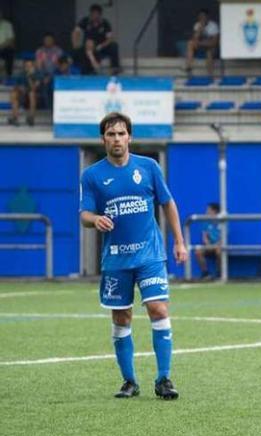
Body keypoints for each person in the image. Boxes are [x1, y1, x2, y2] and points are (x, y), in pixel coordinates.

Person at [79, 112, 188, 399]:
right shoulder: (91, 175)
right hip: (116, 258)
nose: (116, 139)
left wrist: (179, 241)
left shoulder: (149, 167)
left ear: (129, 137)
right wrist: (95, 220)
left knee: (159, 310)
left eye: (121, 133)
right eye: (111, 134)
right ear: (103, 139)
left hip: (150, 254)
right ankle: (129, 381)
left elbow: (168, 203)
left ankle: (164, 379)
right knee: (121, 318)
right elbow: (84, 215)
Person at [72, 4, 121, 75]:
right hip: (88, 47)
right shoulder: (85, 21)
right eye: (93, 14)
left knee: (114, 45)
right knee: (77, 52)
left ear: (100, 14)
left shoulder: (105, 23)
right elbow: (76, 32)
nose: (95, 16)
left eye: (96, 14)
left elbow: (110, 38)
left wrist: (101, 46)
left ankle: (115, 68)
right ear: (90, 14)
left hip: (100, 47)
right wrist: (75, 43)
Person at [184, 9, 219, 77]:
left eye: (203, 16)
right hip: (201, 46)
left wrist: (200, 43)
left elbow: (214, 42)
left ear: (207, 17)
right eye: (200, 17)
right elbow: (194, 39)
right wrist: (200, 30)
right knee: (190, 43)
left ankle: (210, 75)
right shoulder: (197, 25)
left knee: (209, 52)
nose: (202, 18)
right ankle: (189, 66)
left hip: (211, 48)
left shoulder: (213, 26)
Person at [8, 60, 42, 127]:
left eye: (30, 66)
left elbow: (34, 87)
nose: (28, 67)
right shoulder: (21, 74)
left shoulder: (37, 74)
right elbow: (15, 86)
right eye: (26, 66)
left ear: (33, 66)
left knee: (32, 94)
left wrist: (29, 76)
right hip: (22, 95)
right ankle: (15, 118)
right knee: (13, 94)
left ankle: (31, 118)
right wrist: (20, 88)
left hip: (32, 96)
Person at [195, 203, 221, 280]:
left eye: (208, 210)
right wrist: (208, 244)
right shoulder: (206, 223)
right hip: (208, 246)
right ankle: (205, 273)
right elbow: (204, 237)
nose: (206, 212)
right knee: (198, 251)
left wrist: (216, 245)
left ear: (214, 211)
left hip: (218, 246)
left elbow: (223, 239)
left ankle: (219, 273)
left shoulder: (222, 222)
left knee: (219, 251)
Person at [0, 9, 15, 78]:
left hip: (5, 48)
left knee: (9, 52)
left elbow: (11, 40)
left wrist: (1, 46)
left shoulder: (7, 25)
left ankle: (9, 75)